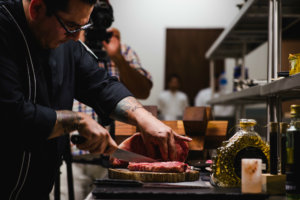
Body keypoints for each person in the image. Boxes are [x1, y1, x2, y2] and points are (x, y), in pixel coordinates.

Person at [0, 0, 191, 199]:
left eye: (82, 27)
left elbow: (101, 85)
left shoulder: (66, 43)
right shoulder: (4, 29)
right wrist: (77, 120)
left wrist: (144, 119)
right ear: (37, 8)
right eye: (71, 26)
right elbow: (12, 113)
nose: (76, 37)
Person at [66, 27, 153, 199]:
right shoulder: (67, 45)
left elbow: (143, 91)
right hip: (71, 156)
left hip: (112, 157)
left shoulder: (124, 51)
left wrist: (118, 58)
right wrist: (78, 41)